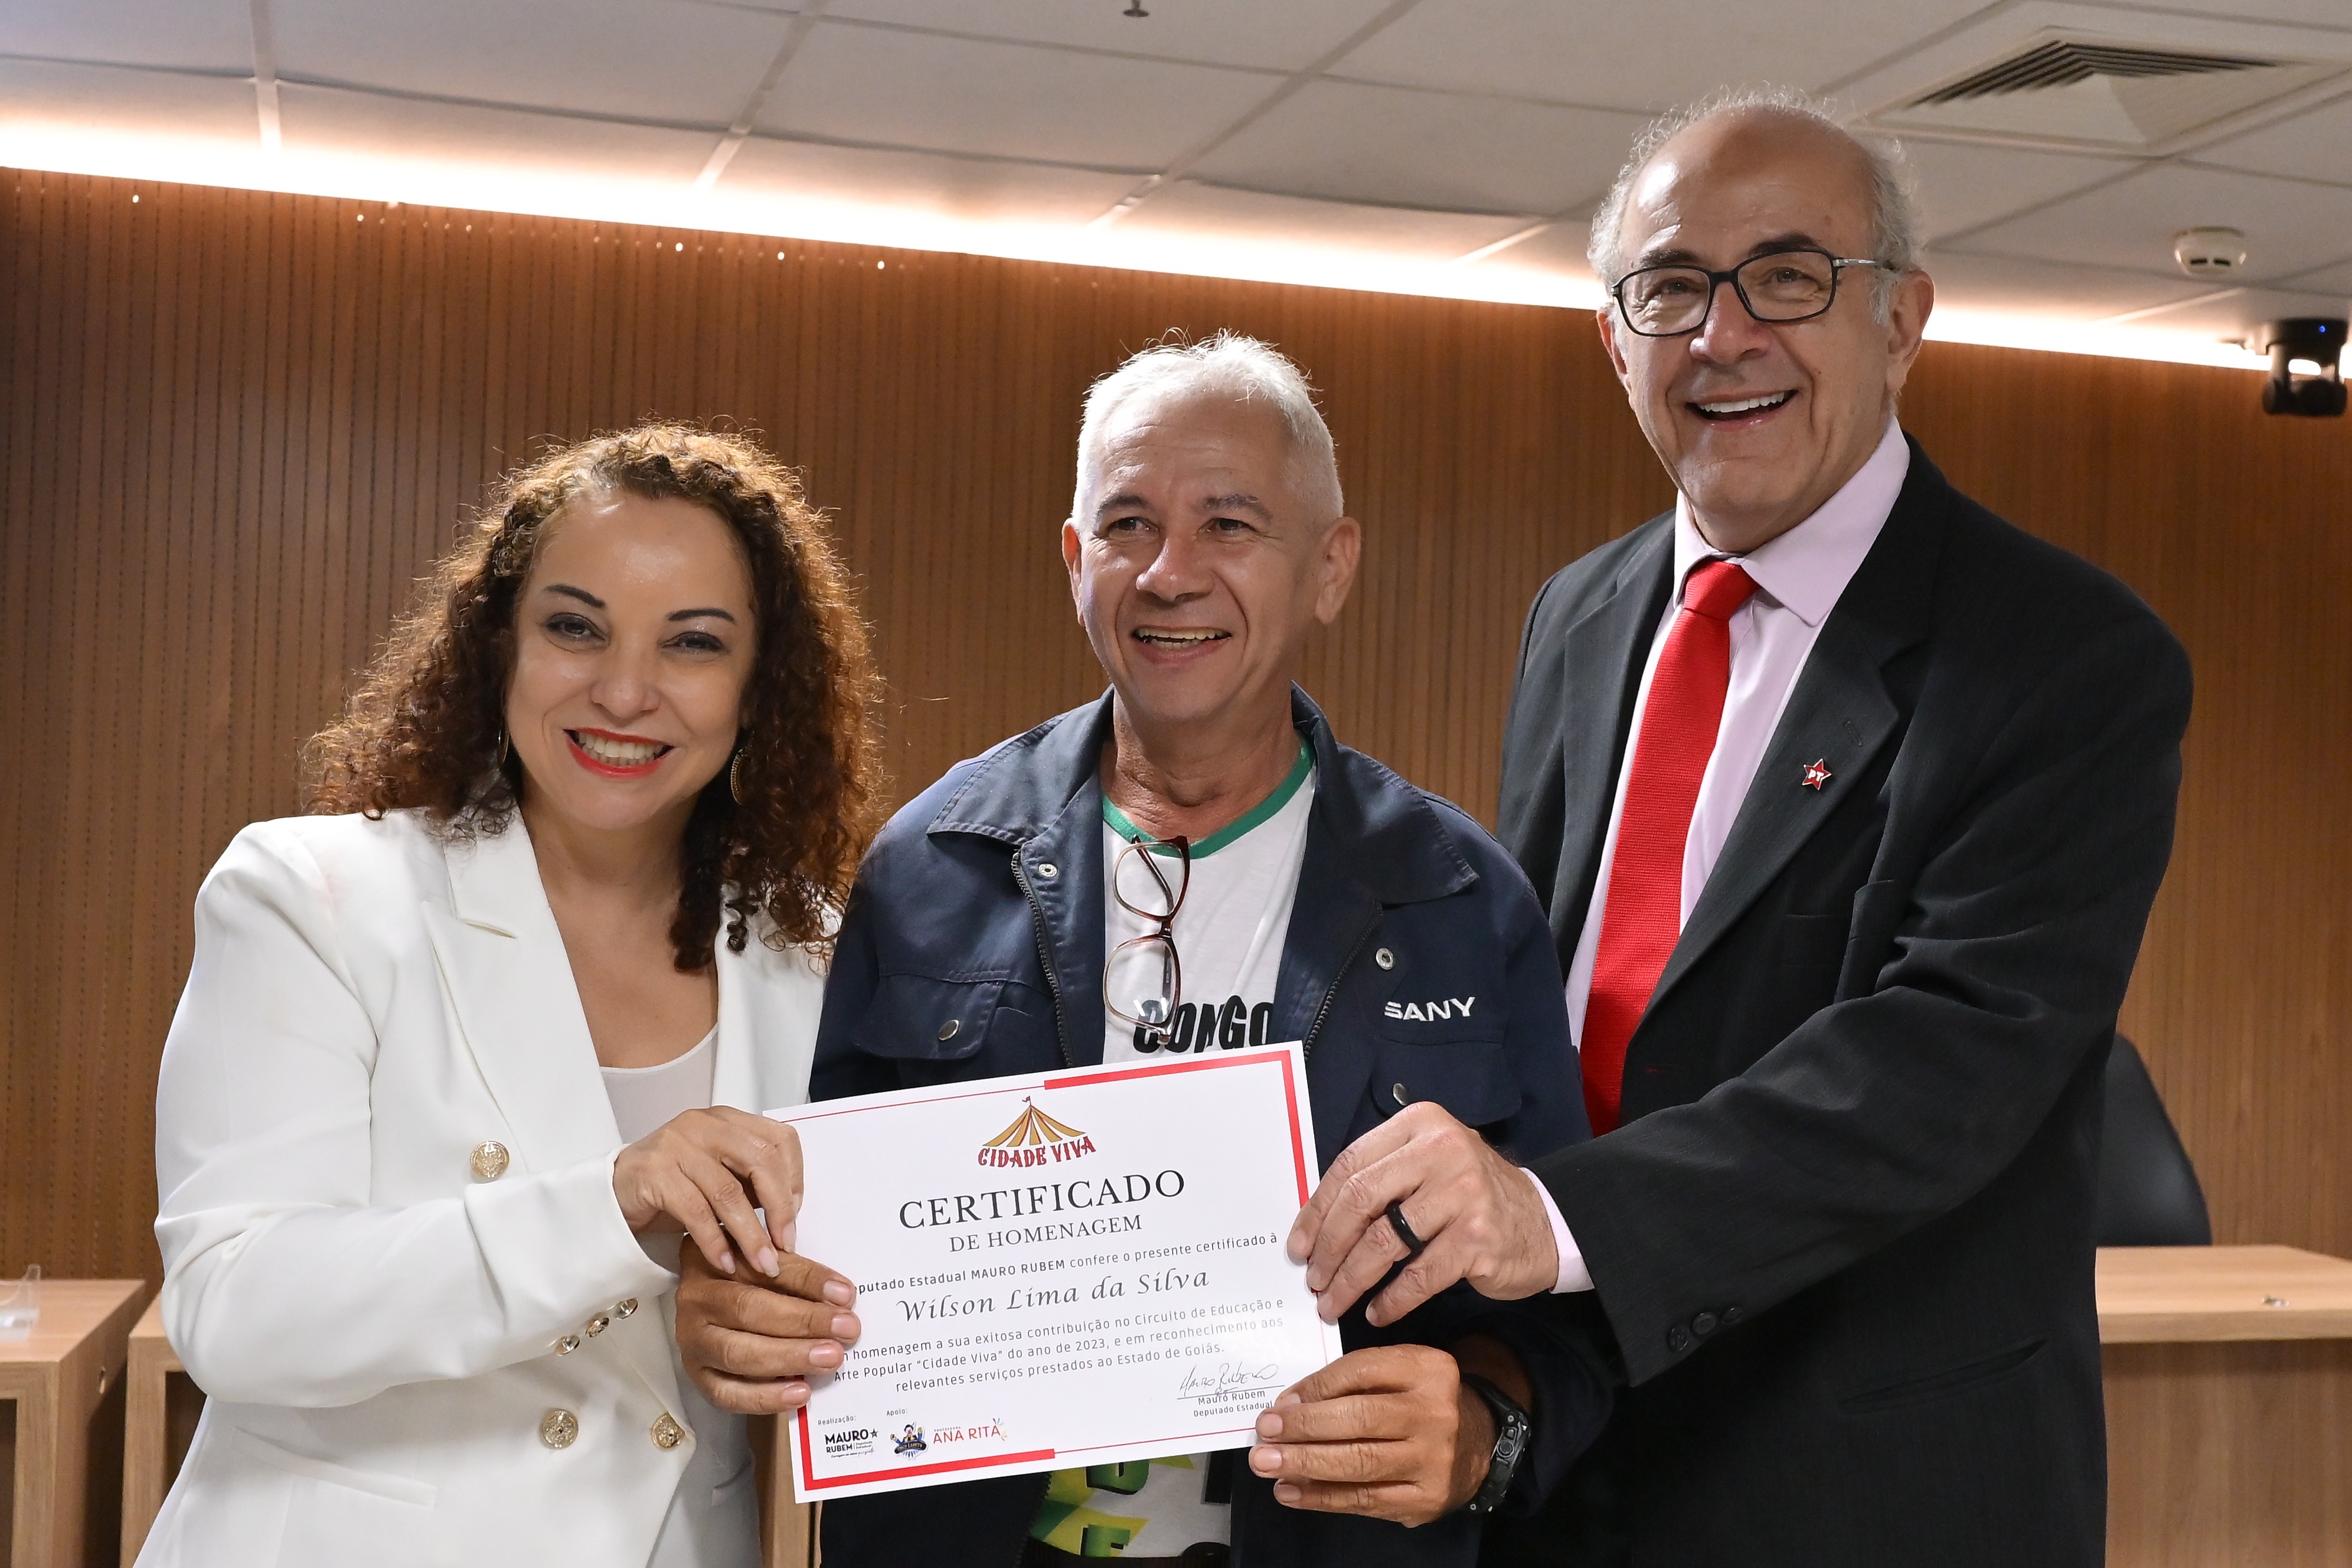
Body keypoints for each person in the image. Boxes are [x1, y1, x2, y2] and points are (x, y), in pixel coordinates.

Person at [1283, 90, 2191, 1566]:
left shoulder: (2068, 657)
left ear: (1902, 320)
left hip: (1871, 1489)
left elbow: (1944, 1065)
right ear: (1614, 340)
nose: (1724, 335)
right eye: (1671, 287)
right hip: (1571, 1458)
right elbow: (1552, 1004)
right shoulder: (1578, 614)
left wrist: (1551, 1213)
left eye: (1788, 277)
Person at [673, 334, 1611, 1567]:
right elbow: (819, 1251)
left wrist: (1485, 1429)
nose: (1171, 574)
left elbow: (1567, 1307)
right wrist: (748, 1305)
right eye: (1128, 525)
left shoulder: (1459, 900)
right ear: (1076, 563)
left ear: (1330, 568)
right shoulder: (931, 869)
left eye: (1230, 524)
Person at [143, 424, 884, 1568]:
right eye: (575, 627)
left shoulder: (813, 953)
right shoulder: (312, 896)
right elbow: (234, 1308)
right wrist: (614, 1202)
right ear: (501, 646)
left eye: (693, 643)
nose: (624, 690)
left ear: (758, 688)